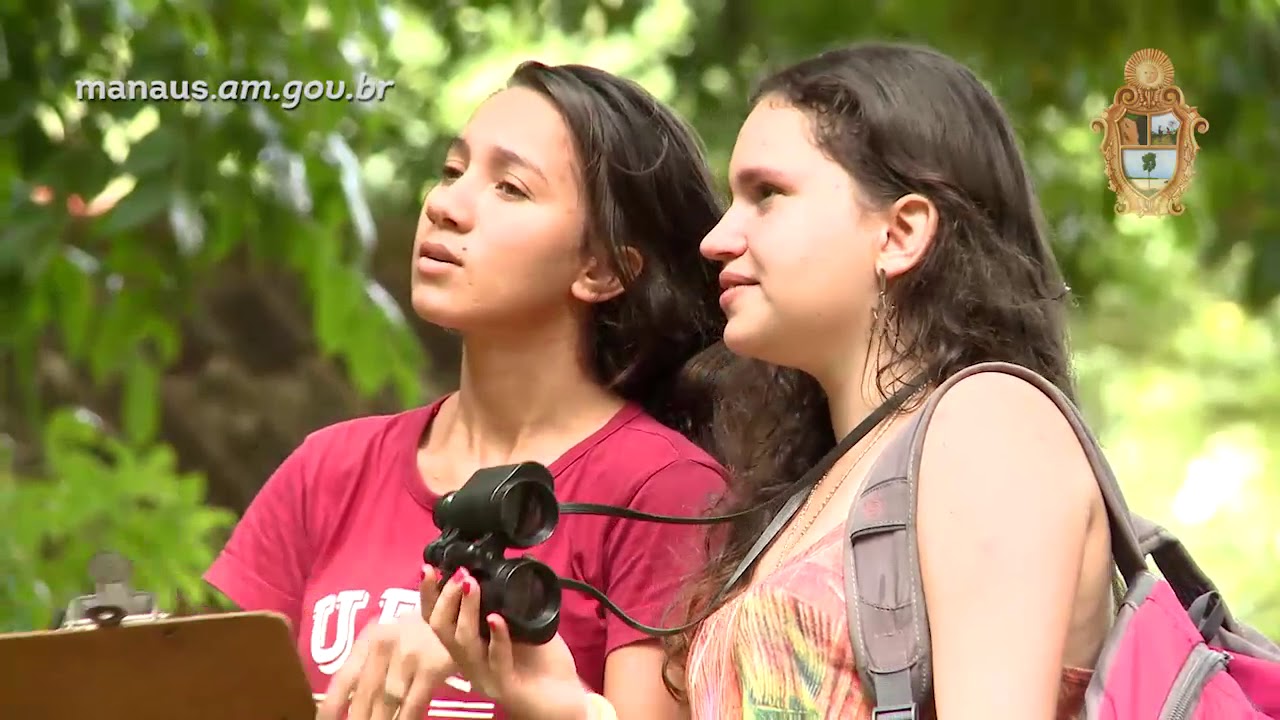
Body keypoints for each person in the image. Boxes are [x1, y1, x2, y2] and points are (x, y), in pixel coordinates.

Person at [420, 42, 1118, 720]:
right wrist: (567, 709)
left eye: (767, 195)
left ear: (900, 233)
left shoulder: (989, 424)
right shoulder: (816, 482)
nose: (717, 240)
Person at [203, 60, 747, 720]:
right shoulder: (328, 468)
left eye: (510, 188)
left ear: (602, 269)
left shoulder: (666, 491)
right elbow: (208, 693)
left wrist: (501, 670)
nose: (445, 205)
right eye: (452, 171)